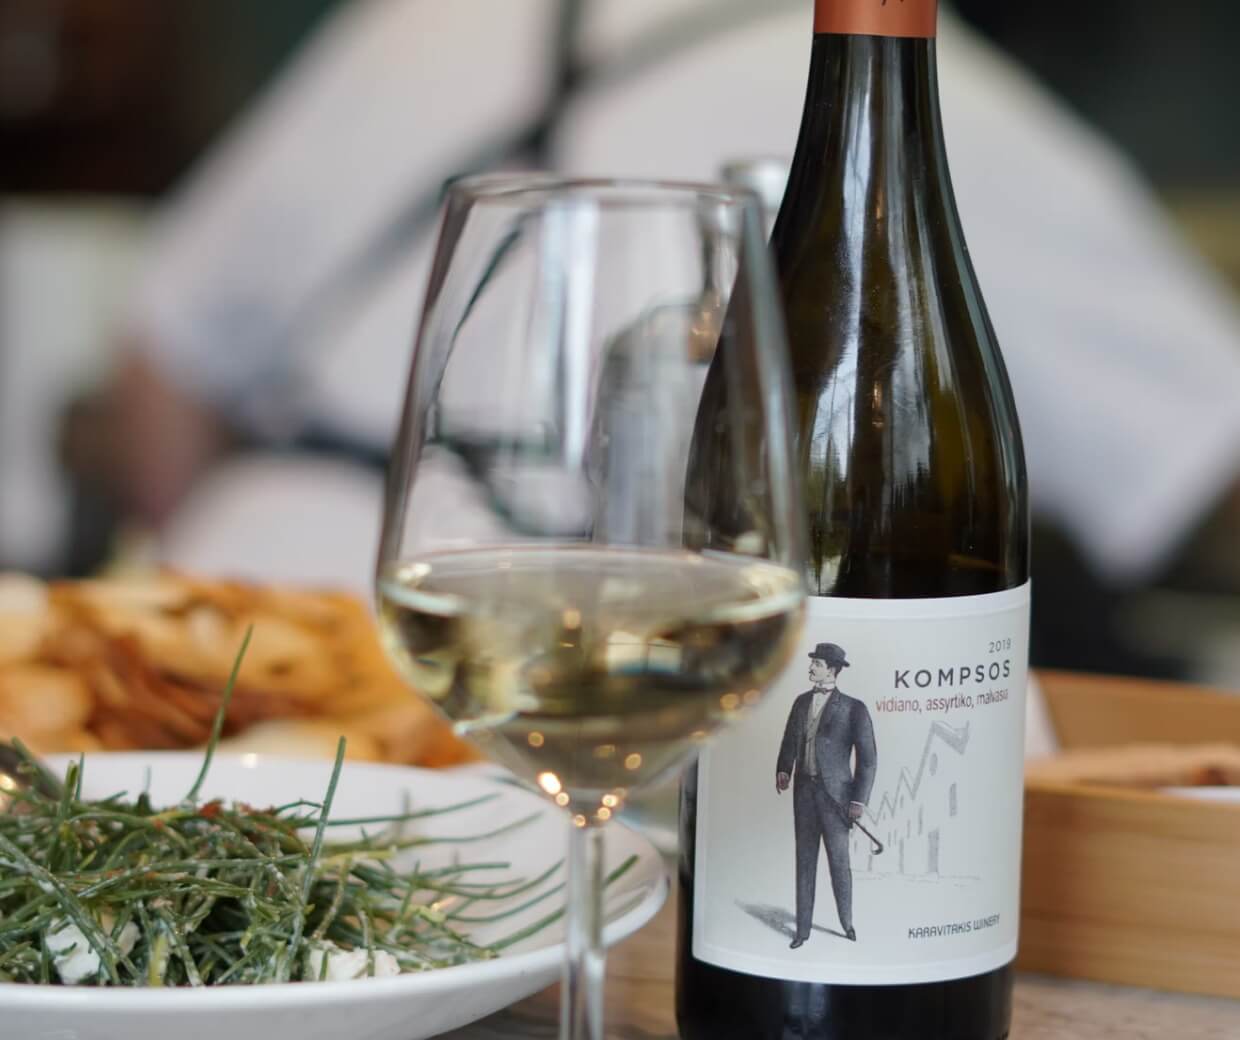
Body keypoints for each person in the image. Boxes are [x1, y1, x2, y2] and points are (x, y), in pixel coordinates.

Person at [90, 0, 1240, 674]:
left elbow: (162, 363)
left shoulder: (428, 21)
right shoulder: (959, 115)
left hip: (210, 623)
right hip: (559, 670)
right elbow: (1210, 457)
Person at [776, 642, 876, 946]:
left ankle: (847, 924)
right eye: (812, 663)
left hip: (837, 800)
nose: (811, 668)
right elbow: (789, 740)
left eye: (817, 664)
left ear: (832, 670)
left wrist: (858, 800)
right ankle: (802, 931)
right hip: (804, 794)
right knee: (804, 863)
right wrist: (784, 769)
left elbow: (868, 759)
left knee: (839, 864)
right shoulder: (800, 703)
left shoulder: (854, 708)